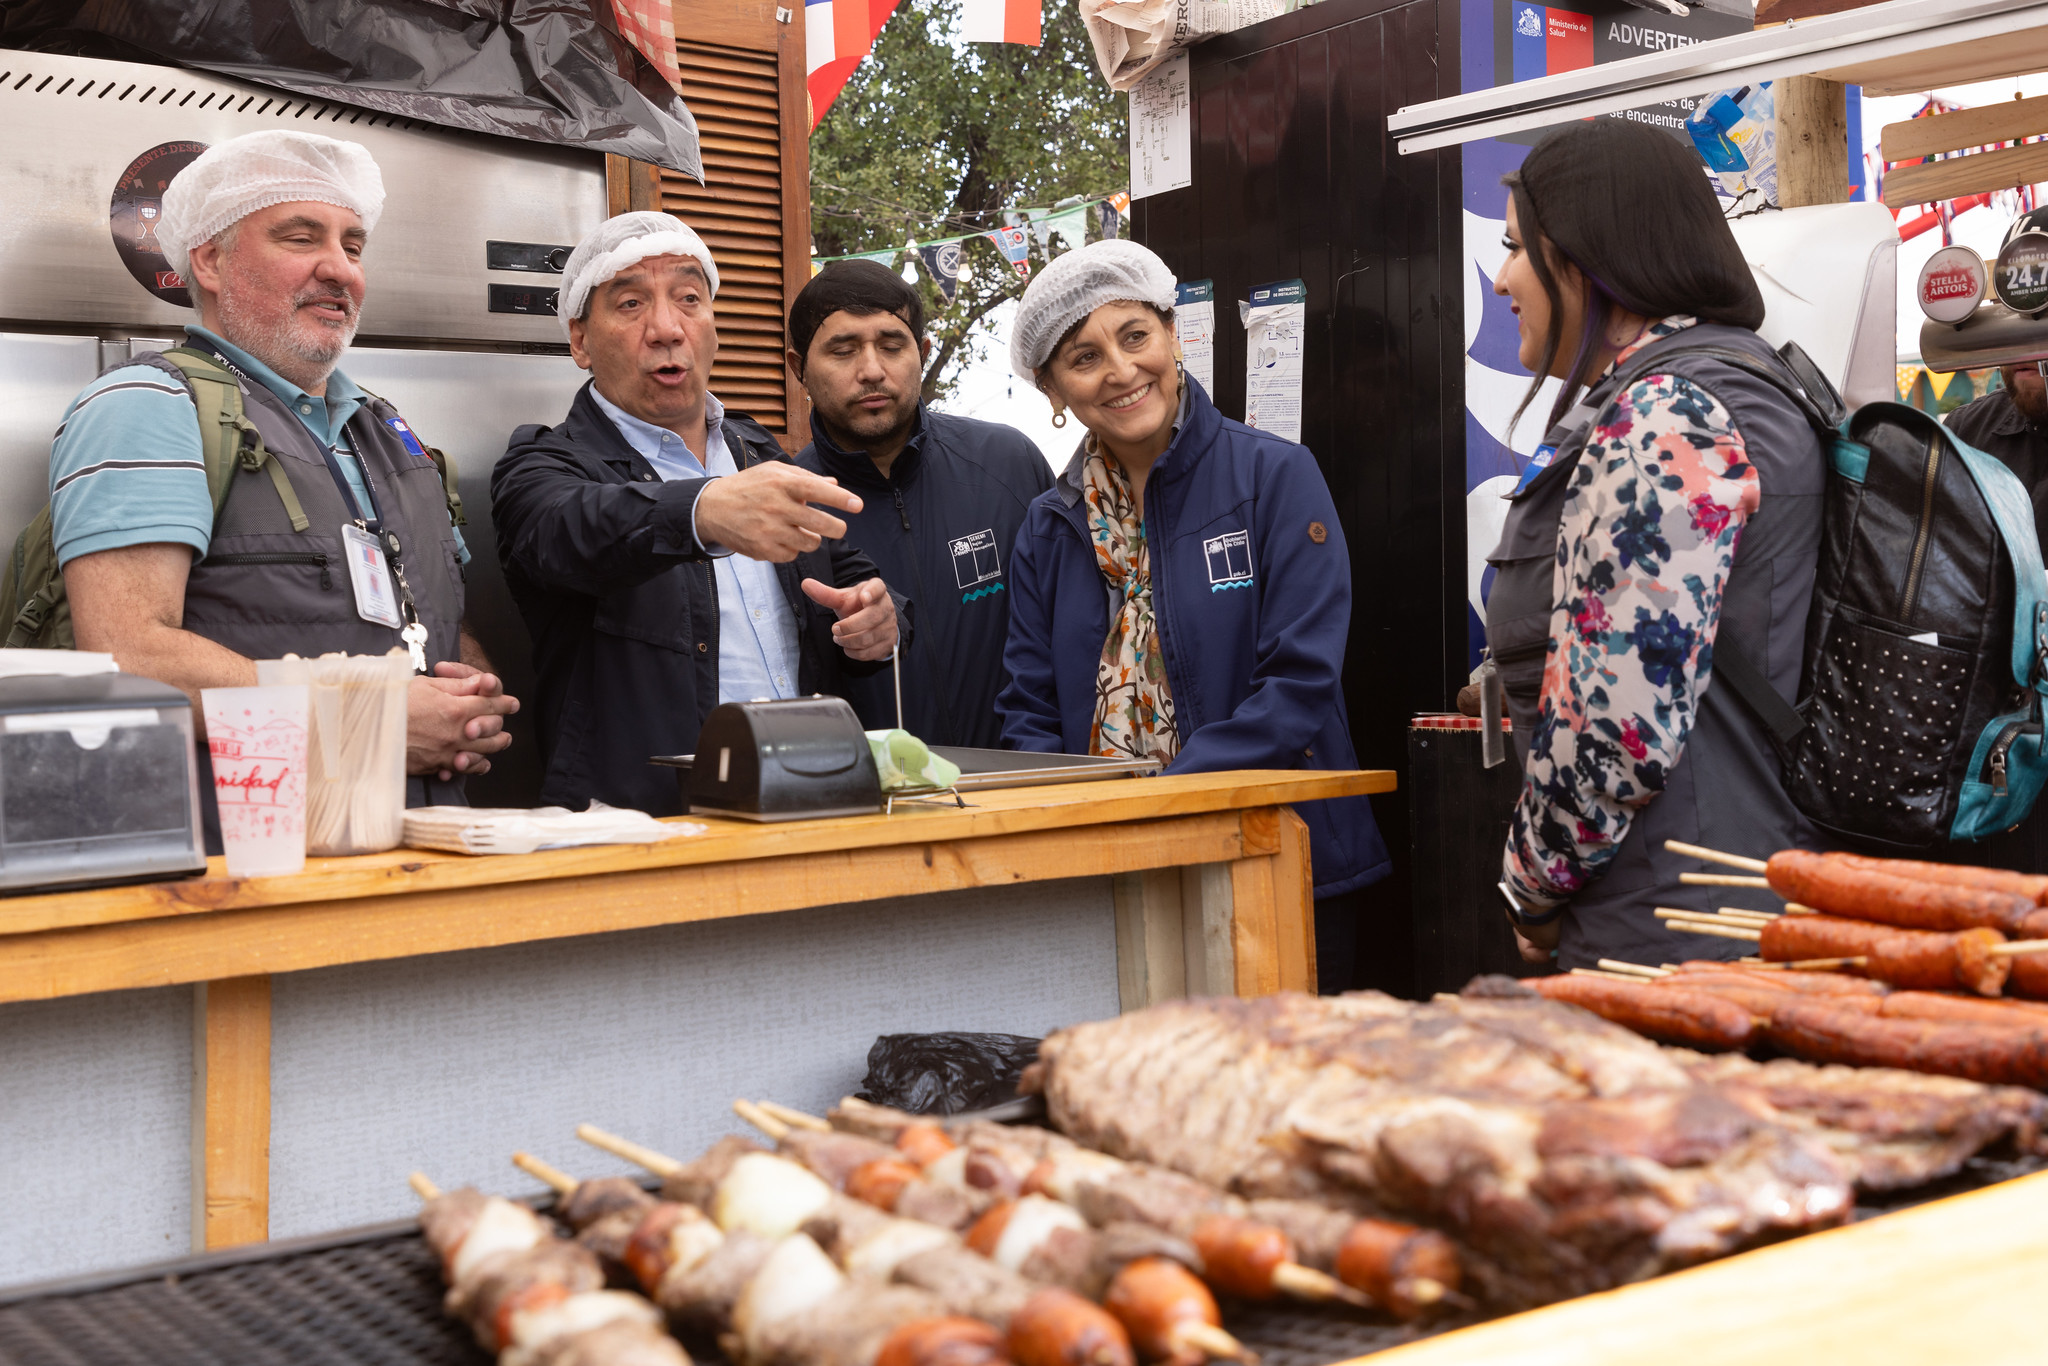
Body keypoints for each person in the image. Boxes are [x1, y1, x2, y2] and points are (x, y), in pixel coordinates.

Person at [54, 129, 517, 814]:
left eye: (352, 245)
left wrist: (468, 688)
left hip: (422, 857)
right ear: (209, 261)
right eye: (301, 239)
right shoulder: (146, 405)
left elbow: (426, 606)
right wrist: (373, 721)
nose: (341, 269)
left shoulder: (389, 430)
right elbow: (129, 658)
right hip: (250, 872)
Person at [997, 240, 1391, 985]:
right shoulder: (1048, 528)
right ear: (1054, 390)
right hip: (1108, 872)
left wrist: (1166, 796)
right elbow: (1028, 710)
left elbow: (1298, 686)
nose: (1120, 370)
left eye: (1135, 336)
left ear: (1174, 338)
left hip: (1278, 851)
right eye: (1084, 358)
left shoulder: (1274, 475)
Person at [1484, 120, 1827, 971]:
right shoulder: (1729, 381)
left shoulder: (1665, 413)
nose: (1500, 280)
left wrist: (1531, 885)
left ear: (1585, 259)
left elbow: (1617, 722)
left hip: (1678, 928)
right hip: (1724, 901)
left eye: (1518, 248)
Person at [491, 212, 903, 814]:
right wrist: (702, 510)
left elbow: (854, 581)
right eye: (630, 304)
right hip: (642, 830)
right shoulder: (545, 463)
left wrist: (879, 625)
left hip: (812, 805)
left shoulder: (758, 453)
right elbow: (561, 530)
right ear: (580, 341)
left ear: (712, 326)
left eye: (688, 298)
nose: (666, 327)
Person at [788, 260, 1052, 744]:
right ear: (798, 368)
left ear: (923, 353)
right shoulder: (785, 511)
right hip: (872, 806)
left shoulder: (1010, 464)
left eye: (891, 346)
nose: (871, 371)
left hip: (1019, 787)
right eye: (842, 351)